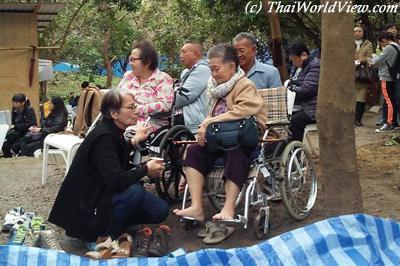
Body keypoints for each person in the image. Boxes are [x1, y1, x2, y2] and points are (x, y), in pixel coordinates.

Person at [48, 90, 169, 243]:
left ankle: (113, 220)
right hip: (90, 200)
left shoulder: (112, 131)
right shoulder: (103, 137)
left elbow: (116, 152)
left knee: (160, 210)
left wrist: (134, 141)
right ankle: (103, 235)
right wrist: (146, 169)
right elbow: (116, 181)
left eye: (135, 106)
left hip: (102, 191)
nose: (136, 110)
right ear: (114, 114)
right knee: (134, 192)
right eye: (131, 107)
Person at [173, 44, 267, 221]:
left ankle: (229, 208)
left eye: (216, 69)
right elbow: (210, 117)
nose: (213, 73)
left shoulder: (244, 85)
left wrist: (210, 122)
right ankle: (196, 207)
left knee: (234, 152)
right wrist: (204, 128)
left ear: (232, 66)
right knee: (193, 151)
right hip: (218, 139)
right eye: (211, 69)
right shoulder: (216, 88)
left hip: (242, 139)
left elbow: (244, 110)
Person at [118, 40, 174, 132]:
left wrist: (136, 110)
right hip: (122, 120)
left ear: (147, 62)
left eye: (133, 60)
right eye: (130, 59)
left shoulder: (162, 78)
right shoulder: (128, 76)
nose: (130, 63)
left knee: (121, 136)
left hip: (147, 123)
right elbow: (117, 96)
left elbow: (165, 105)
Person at [286, 40, 320, 141]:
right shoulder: (296, 67)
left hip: (312, 106)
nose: (293, 63)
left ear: (304, 55)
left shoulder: (315, 65)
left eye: (294, 60)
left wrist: (291, 88)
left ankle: (297, 150)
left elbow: (308, 89)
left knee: (294, 121)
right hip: (298, 104)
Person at [175, 41, 211, 133]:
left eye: (184, 52)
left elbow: (183, 97)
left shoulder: (202, 70)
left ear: (196, 54)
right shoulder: (187, 72)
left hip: (197, 126)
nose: (181, 55)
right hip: (190, 124)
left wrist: (165, 102)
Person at [372, 31, 400, 132]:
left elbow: (376, 61)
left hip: (386, 76)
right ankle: (394, 122)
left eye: (380, 42)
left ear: (383, 40)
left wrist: (373, 56)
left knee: (388, 101)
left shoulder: (388, 48)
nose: (381, 45)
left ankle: (389, 123)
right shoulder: (397, 46)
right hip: (393, 76)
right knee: (392, 100)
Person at [1, 93, 36, 158]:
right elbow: (13, 122)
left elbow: (31, 124)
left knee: (16, 145)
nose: (14, 104)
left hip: (26, 133)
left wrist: (15, 126)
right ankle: (9, 159)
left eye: (16, 103)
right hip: (17, 133)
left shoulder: (29, 110)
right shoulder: (14, 110)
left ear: (23, 103)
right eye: (13, 102)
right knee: (5, 145)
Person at [354, 25, 373, 126]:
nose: (357, 33)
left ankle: (358, 119)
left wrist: (361, 60)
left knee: (361, 98)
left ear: (363, 32)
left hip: (363, 74)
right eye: (356, 31)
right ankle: (351, 118)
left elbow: (369, 57)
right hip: (350, 73)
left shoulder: (368, 44)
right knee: (351, 97)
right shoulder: (348, 43)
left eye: (359, 31)